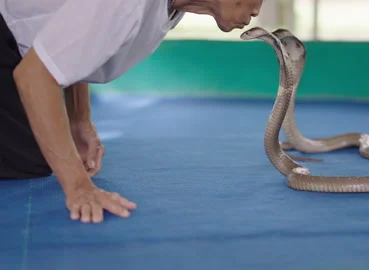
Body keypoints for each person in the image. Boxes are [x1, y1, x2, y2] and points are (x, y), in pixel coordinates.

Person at [0, 0, 263, 224]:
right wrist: (79, 187)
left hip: (18, 48)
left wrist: (79, 118)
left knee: (41, 146)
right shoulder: (126, 4)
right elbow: (34, 76)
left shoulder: (171, 7)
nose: (257, 11)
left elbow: (72, 44)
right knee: (32, 155)